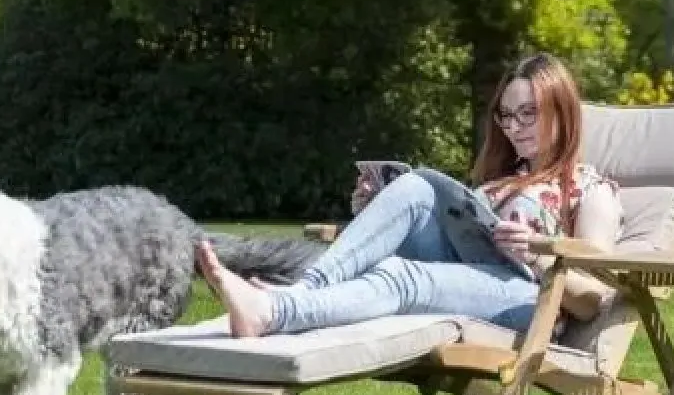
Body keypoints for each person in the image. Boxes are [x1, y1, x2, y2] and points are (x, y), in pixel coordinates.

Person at [197, 51, 621, 339]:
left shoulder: (590, 190)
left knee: (402, 275)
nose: (514, 127)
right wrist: (374, 209)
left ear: (562, 110)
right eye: (506, 116)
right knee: (415, 186)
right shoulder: (502, 178)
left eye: (529, 113)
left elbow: (596, 299)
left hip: (530, 301)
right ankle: (302, 290)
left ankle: (275, 311)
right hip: (466, 277)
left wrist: (539, 256)